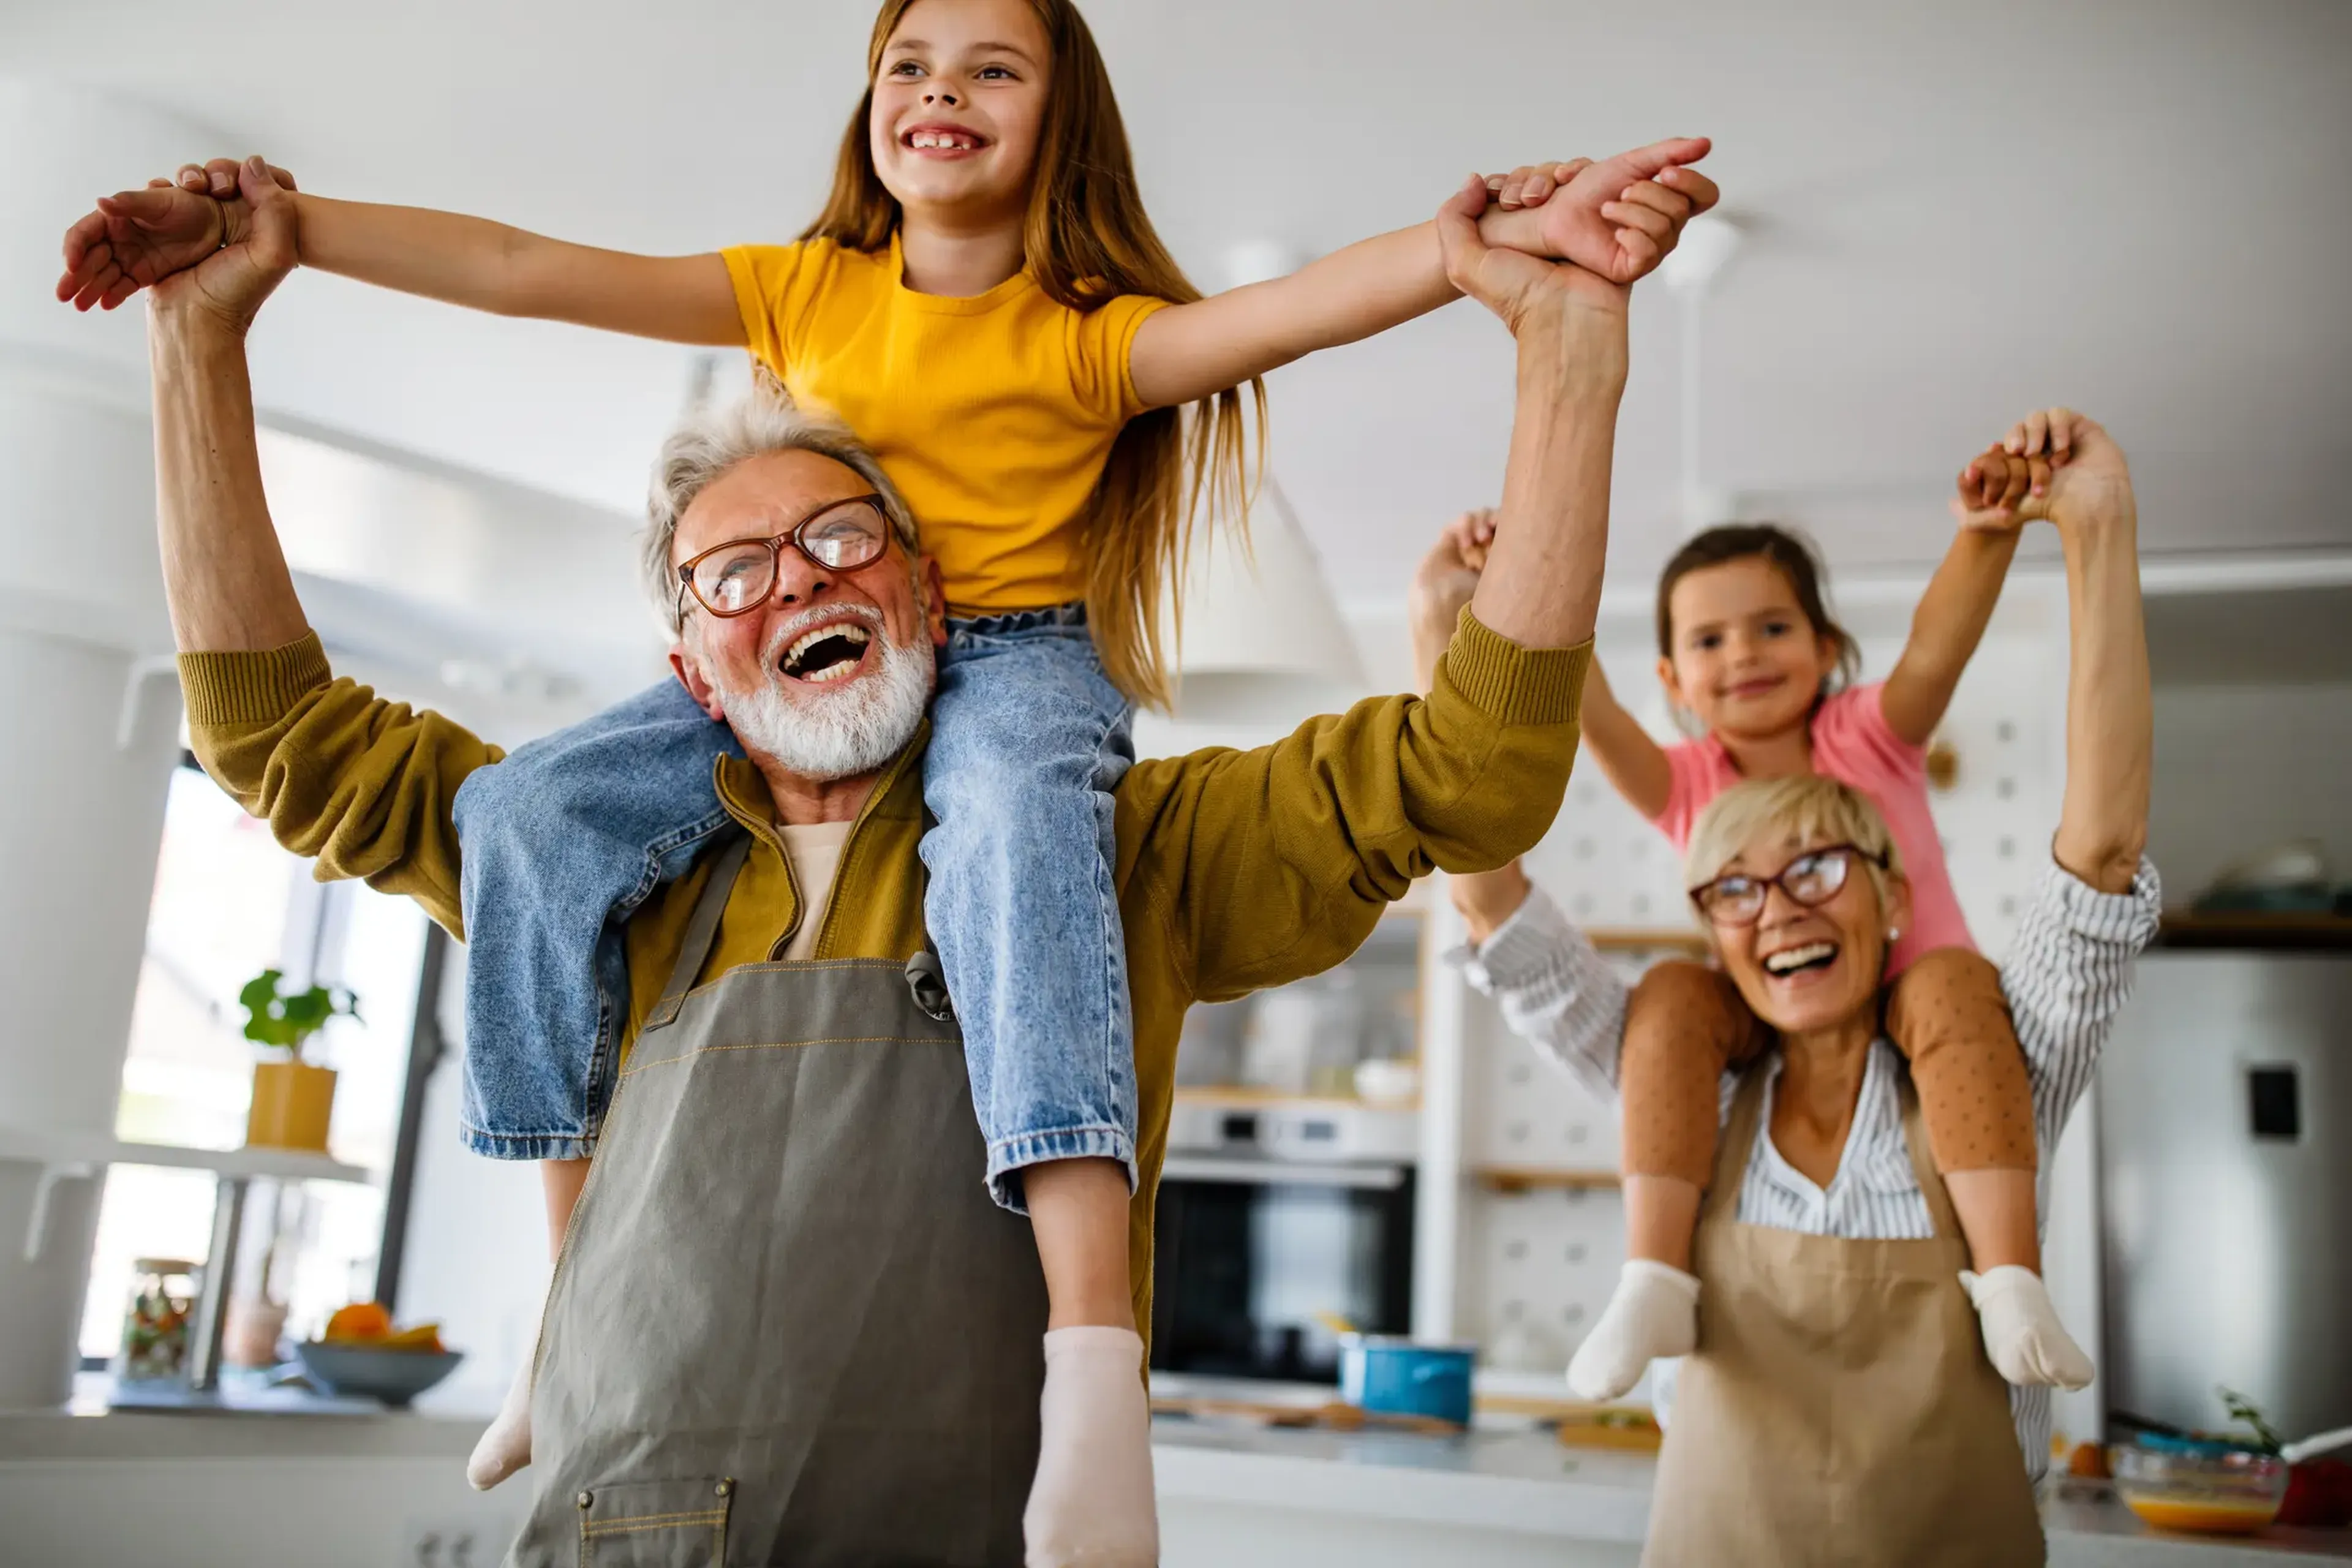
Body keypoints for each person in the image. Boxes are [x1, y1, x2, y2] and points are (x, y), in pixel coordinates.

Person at [57, 0, 1716, 1502]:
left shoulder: (1115, 838)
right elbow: (492, 302)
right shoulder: (609, 841)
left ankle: (1093, 1367)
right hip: (616, 1538)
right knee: (521, 809)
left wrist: (1528, 312)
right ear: (687, 663)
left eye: (847, 536)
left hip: (959, 1526)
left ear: (923, 569)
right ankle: (550, 1323)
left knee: (1006, 820)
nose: (802, 583)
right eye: (736, 571)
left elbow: (1469, 759)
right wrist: (235, 293)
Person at [1411, 409, 2154, 1566]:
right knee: (1665, 999)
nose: (1782, 908)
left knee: (1954, 992)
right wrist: (1451, 627)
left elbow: (2097, 849)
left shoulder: (2004, 1071)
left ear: (1892, 889)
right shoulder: (1686, 1083)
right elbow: (1492, 888)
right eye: (1736, 889)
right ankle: (1652, 1276)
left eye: (1818, 868)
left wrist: (2073, 531)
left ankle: (2012, 1281)